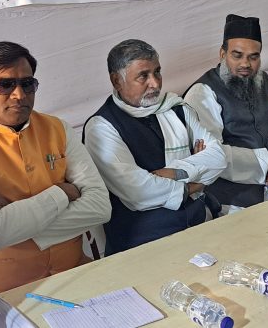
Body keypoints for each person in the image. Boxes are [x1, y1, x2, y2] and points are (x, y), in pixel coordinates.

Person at [0, 41, 110, 307]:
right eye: (5, 85)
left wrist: (11, 212)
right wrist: (63, 193)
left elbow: (101, 208)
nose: (19, 95)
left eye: (27, 84)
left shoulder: (57, 128)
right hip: (4, 293)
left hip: (75, 274)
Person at [83, 40, 226, 255]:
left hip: (199, 224)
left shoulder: (176, 109)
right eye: (143, 76)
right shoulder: (101, 127)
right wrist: (193, 184)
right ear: (116, 81)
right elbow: (138, 192)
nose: (155, 83)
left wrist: (172, 173)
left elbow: (218, 158)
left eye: (157, 72)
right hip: (144, 245)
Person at [183, 15, 268, 213]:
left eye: (253, 57)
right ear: (222, 54)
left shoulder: (265, 81)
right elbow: (211, 154)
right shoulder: (202, 92)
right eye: (237, 55)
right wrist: (267, 160)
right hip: (226, 198)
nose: (245, 64)